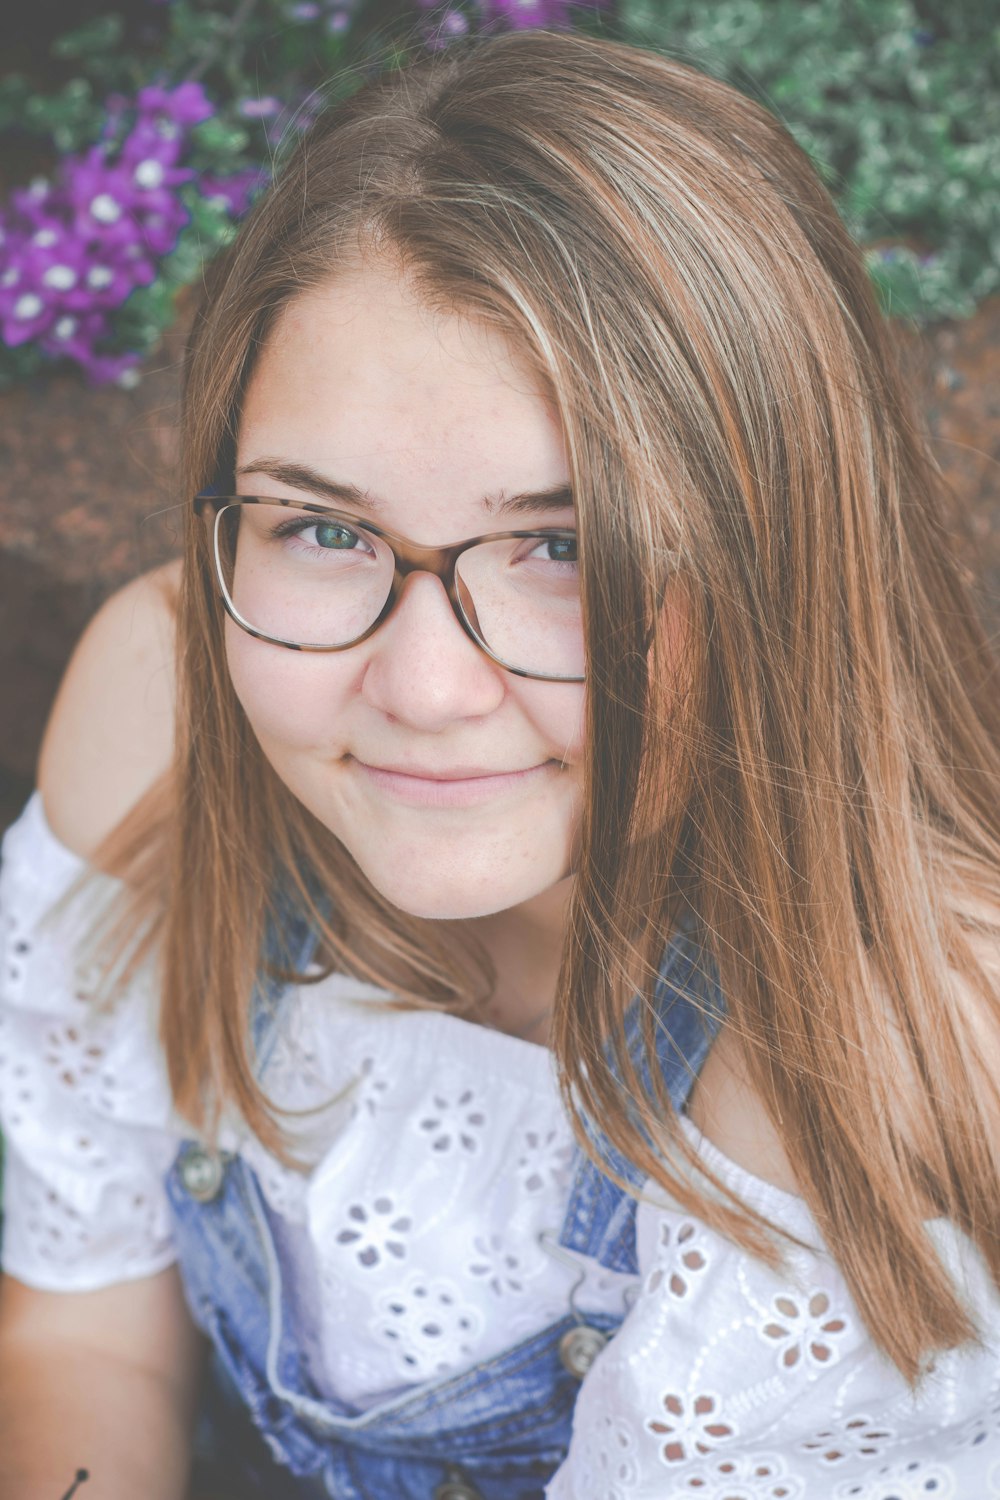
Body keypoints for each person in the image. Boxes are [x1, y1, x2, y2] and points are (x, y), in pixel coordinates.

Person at [0, 27, 998, 1500]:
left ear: (777, 563)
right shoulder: (163, 703)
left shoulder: (869, 1050)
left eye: (565, 549)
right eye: (324, 531)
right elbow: (83, 1341)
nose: (423, 688)